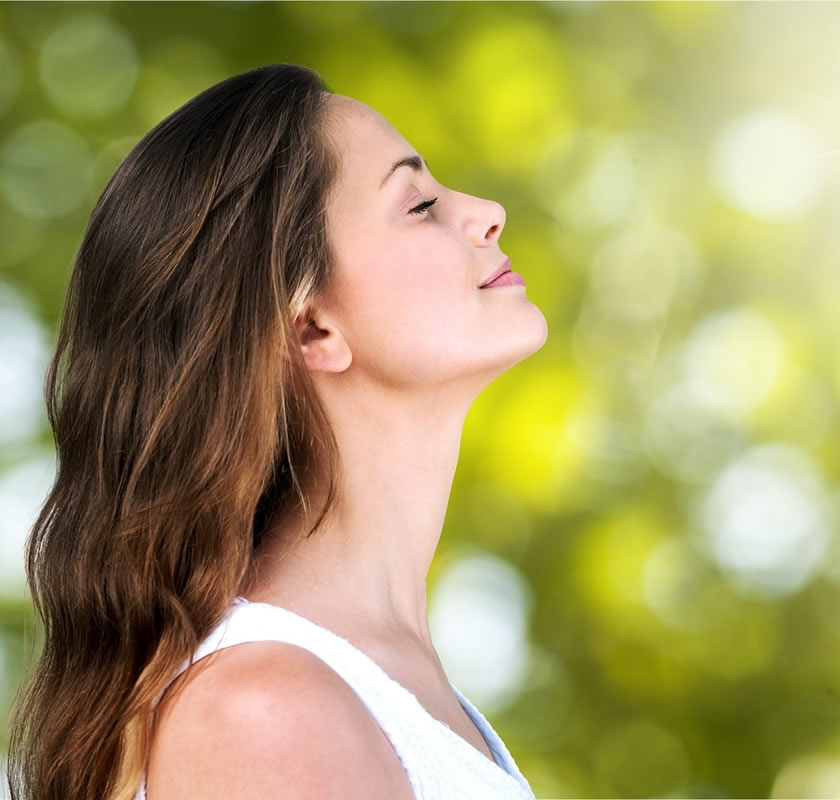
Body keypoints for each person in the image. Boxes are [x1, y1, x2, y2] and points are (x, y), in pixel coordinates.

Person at [5, 63, 548, 800]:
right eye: (419, 204)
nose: (486, 212)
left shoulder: (371, 689)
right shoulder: (265, 712)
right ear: (311, 327)